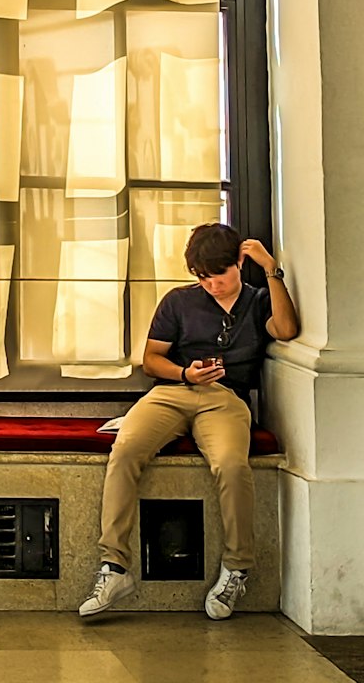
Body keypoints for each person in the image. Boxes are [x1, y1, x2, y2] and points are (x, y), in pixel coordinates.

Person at [79, 223, 299, 620]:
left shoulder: (259, 301)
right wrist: (185, 374)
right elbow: (152, 361)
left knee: (232, 465)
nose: (212, 284)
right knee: (125, 450)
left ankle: (237, 567)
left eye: (219, 274)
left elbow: (286, 330)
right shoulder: (179, 302)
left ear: (239, 263)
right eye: (202, 276)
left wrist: (271, 269)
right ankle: (114, 568)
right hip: (172, 391)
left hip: (225, 400)